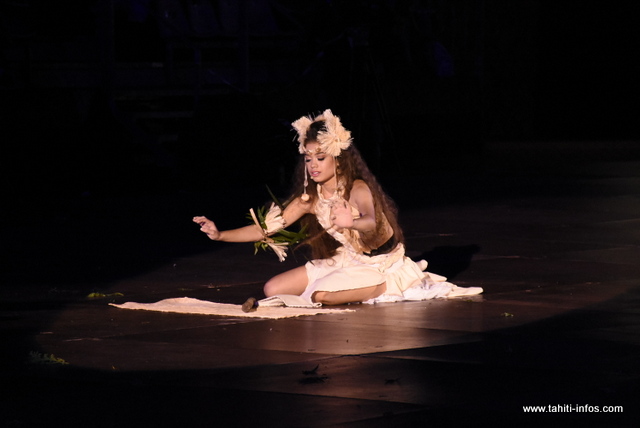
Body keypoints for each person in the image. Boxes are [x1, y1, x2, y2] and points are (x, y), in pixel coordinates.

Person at [193, 109, 481, 307]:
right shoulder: (310, 199)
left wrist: (351, 222)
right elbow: (265, 229)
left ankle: (390, 285)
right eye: (308, 159)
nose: (313, 165)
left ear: (337, 159)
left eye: (320, 158)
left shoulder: (357, 188)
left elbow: (371, 221)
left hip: (380, 265)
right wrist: (220, 235)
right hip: (349, 260)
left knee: (319, 296)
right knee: (273, 289)